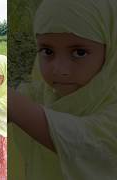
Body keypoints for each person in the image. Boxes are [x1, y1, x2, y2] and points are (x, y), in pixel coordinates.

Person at [10, 0, 117, 179]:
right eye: (47, 51)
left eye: (79, 53)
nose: (60, 70)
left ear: (111, 52)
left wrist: (17, 107)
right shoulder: (41, 93)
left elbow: (86, 144)